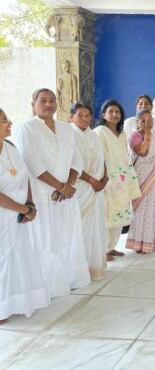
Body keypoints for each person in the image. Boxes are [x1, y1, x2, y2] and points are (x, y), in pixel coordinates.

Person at [13, 88, 90, 298]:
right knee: (45, 239)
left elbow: (77, 159)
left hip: (66, 194)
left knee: (66, 235)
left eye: (52, 100)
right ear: (33, 104)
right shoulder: (26, 128)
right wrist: (60, 186)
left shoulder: (66, 128)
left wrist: (69, 184)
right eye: (43, 100)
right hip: (41, 193)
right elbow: (31, 162)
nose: (48, 104)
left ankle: (68, 279)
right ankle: (46, 286)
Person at [0, 108, 49, 324]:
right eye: (4, 120)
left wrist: (29, 203)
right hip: (5, 214)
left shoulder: (10, 147)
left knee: (18, 257)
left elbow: (24, 175)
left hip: (19, 213)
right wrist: (23, 209)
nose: (10, 122)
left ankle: (15, 302)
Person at [94, 100, 141, 261]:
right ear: (103, 115)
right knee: (107, 214)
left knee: (120, 213)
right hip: (108, 179)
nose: (114, 114)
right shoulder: (100, 132)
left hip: (122, 180)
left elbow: (124, 157)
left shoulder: (122, 134)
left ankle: (111, 246)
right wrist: (105, 178)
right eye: (111, 112)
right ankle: (102, 250)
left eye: (117, 112)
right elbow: (99, 156)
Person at [71, 103, 108, 280]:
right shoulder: (69, 135)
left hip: (97, 188)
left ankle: (94, 266)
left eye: (88, 115)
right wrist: (92, 181)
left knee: (96, 227)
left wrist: (104, 178)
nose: (85, 118)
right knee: (80, 227)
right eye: (80, 115)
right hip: (80, 187)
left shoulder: (94, 135)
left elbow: (102, 158)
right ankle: (79, 270)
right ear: (71, 117)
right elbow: (71, 163)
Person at [126, 110, 155, 253]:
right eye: (143, 121)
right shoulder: (134, 136)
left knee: (151, 209)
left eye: (150, 120)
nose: (147, 123)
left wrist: (149, 133)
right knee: (140, 209)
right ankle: (138, 243)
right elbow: (142, 152)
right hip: (141, 177)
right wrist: (146, 133)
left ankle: (150, 241)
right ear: (138, 122)